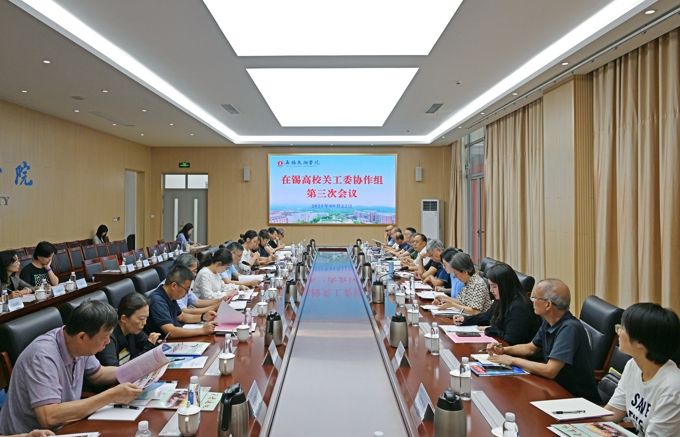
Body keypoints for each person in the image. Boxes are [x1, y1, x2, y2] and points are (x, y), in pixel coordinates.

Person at [0, 301, 142, 434]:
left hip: (67, 424)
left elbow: (98, 374)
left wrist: (139, 368)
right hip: (32, 433)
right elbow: (49, 417)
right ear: (82, 337)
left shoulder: (77, 343)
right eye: (105, 337)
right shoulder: (42, 357)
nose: (108, 341)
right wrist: (111, 396)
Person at [487, 278, 601, 403]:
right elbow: (530, 348)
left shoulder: (570, 328)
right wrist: (503, 350)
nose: (532, 301)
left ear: (548, 304)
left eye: (535, 297)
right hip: (555, 388)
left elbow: (550, 370)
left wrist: (512, 360)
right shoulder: (550, 321)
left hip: (576, 398)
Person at [604, 303, 680, 436]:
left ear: (640, 342)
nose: (618, 331)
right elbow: (613, 411)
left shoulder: (672, 389)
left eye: (622, 328)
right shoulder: (633, 365)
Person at [452, 262, 540, 345]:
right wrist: (465, 319)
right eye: (490, 286)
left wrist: (490, 329)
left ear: (505, 285)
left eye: (494, 286)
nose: (491, 290)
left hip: (515, 351)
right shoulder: (503, 298)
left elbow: (511, 339)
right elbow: (487, 316)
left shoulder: (519, 307)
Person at [145, 264, 216, 338]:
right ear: (174, 286)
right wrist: (202, 330)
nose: (187, 293)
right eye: (186, 289)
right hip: (162, 341)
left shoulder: (170, 295)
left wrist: (203, 317)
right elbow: (170, 332)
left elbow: (181, 316)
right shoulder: (157, 300)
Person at [95, 293, 161, 366]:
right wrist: (148, 347)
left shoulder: (133, 328)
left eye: (146, 318)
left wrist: (154, 343)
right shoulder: (108, 337)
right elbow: (113, 368)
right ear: (124, 318)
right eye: (141, 318)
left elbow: (146, 344)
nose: (145, 323)